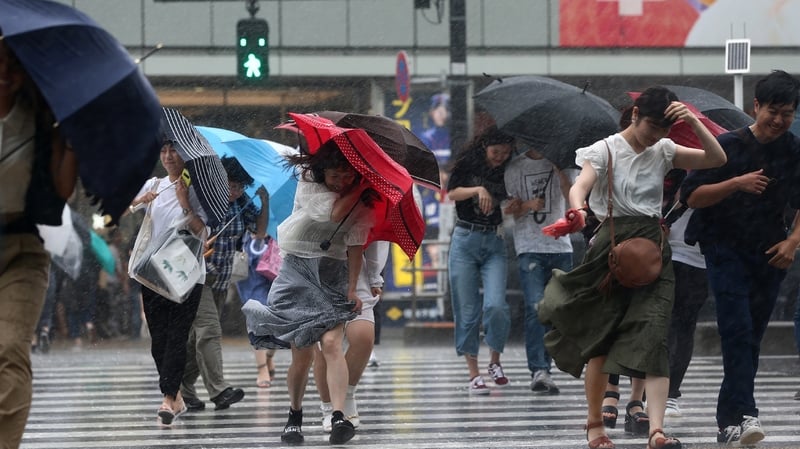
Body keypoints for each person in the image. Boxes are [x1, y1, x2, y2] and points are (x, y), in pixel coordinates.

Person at [538, 86, 726, 449]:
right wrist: (577, 210)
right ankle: (595, 426)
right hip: (611, 246)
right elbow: (581, 186)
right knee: (601, 342)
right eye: (653, 126)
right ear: (636, 115)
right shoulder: (605, 149)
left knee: (655, 337)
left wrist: (693, 122)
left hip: (653, 249)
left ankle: (656, 430)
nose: (656, 135)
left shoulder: (665, 150)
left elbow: (717, 159)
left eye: (665, 129)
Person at [680, 70, 800, 446]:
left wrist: (793, 242)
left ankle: (727, 421)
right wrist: (736, 182)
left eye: (788, 113)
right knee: (737, 330)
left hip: (769, 253)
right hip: (723, 249)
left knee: (750, 339)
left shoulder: (793, 150)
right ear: (756, 106)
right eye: (773, 111)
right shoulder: (726, 145)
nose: (780, 120)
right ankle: (747, 414)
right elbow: (690, 197)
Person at [242, 141, 378, 445]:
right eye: (335, 176)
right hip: (297, 270)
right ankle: (295, 413)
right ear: (322, 172)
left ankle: (338, 415)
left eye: (347, 176)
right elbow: (331, 215)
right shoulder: (308, 182)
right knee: (302, 354)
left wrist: (353, 288)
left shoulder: (365, 202)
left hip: (333, 272)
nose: (341, 182)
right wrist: (360, 189)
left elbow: (355, 246)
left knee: (331, 343)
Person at [0, 40, 77, 448]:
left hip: (21, 250)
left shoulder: (41, 121)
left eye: (13, 63)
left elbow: (61, 192)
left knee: (10, 347)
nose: (5, 71)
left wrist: (72, 137)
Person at [128, 138, 210, 426]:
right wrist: (140, 201)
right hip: (153, 272)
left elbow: (203, 233)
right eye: (163, 150)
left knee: (177, 335)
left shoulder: (198, 189)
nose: (168, 156)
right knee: (159, 338)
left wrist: (186, 203)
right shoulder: (154, 184)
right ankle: (175, 397)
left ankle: (168, 396)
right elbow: (122, 210)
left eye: (174, 150)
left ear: (185, 154)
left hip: (188, 274)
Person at [180, 156, 267, 412]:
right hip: (197, 276)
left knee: (197, 337)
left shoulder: (242, 204)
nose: (235, 191)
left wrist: (265, 202)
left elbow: (259, 233)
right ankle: (219, 391)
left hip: (221, 278)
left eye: (240, 186)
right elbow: (188, 229)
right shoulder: (205, 200)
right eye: (230, 185)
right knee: (209, 331)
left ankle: (180, 386)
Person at [446, 127, 515, 394]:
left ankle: (495, 362)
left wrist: (519, 205)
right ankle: (473, 373)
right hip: (465, 239)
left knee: (497, 305)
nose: (500, 157)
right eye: (496, 152)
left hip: (494, 241)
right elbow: (452, 194)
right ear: (484, 146)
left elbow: (511, 203)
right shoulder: (467, 164)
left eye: (506, 153)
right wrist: (478, 190)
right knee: (467, 308)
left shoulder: (510, 170)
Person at [503, 147, 573, 394]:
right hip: (529, 246)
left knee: (557, 310)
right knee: (535, 307)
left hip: (561, 247)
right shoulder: (515, 168)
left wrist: (559, 171)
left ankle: (549, 364)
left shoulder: (563, 163)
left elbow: (572, 199)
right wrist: (526, 205)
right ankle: (539, 370)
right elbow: (508, 210)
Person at [313, 240, 390, 432]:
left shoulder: (367, 209)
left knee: (363, 337)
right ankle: (329, 407)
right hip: (319, 267)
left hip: (357, 268)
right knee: (327, 344)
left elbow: (377, 239)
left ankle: (346, 394)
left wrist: (374, 277)